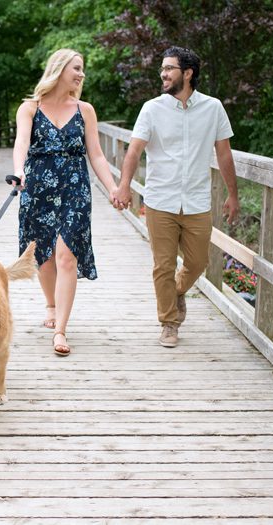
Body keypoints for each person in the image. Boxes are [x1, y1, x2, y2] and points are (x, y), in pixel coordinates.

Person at [113, 46, 240, 348]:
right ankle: (169, 323)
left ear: (188, 73)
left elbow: (224, 154)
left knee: (199, 262)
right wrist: (124, 185)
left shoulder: (213, 108)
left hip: (197, 201)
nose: (163, 74)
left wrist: (233, 195)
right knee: (163, 265)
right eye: (162, 69)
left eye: (169, 68)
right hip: (160, 200)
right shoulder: (152, 108)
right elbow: (134, 150)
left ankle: (176, 291)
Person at [12, 48, 118, 356]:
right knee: (43, 256)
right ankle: (50, 305)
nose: (81, 74)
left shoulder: (85, 110)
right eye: (76, 68)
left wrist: (112, 188)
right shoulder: (30, 108)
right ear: (59, 69)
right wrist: (19, 171)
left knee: (66, 256)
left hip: (74, 189)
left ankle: (60, 330)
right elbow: (21, 143)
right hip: (37, 189)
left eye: (83, 69)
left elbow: (95, 154)